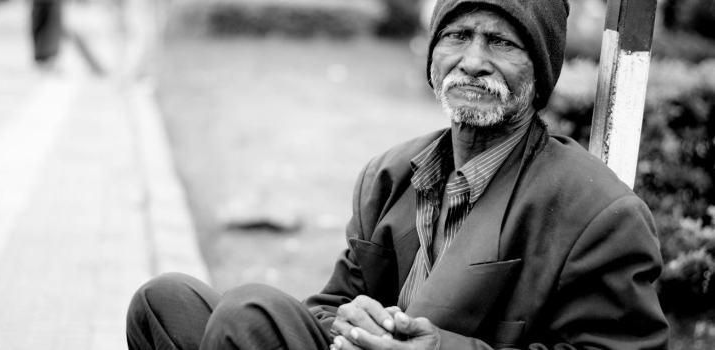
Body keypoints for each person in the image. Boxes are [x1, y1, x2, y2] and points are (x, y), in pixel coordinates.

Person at [126, 0, 670, 349]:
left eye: (501, 42)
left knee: (249, 314)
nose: (473, 61)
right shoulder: (390, 176)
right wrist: (350, 321)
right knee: (164, 303)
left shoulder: (598, 211)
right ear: (433, 55)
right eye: (457, 36)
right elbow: (330, 305)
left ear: (541, 69)